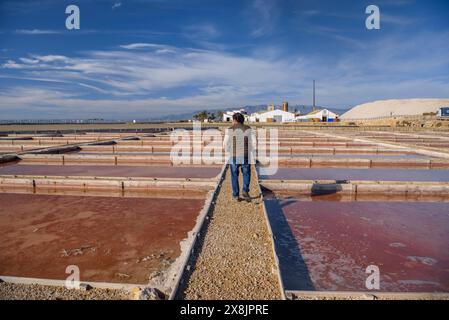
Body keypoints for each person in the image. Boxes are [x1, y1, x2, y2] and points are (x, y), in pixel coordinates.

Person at [223, 113, 256, 202]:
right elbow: (254, 143)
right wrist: (251, 150)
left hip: (234, 155)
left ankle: (236, 195)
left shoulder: (229, 130)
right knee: (246, 173)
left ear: (234, 120)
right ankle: (245, 190)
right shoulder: (249, 129)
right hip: (245, 155)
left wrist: (228, 150)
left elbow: (225, 143)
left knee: (234, 175)